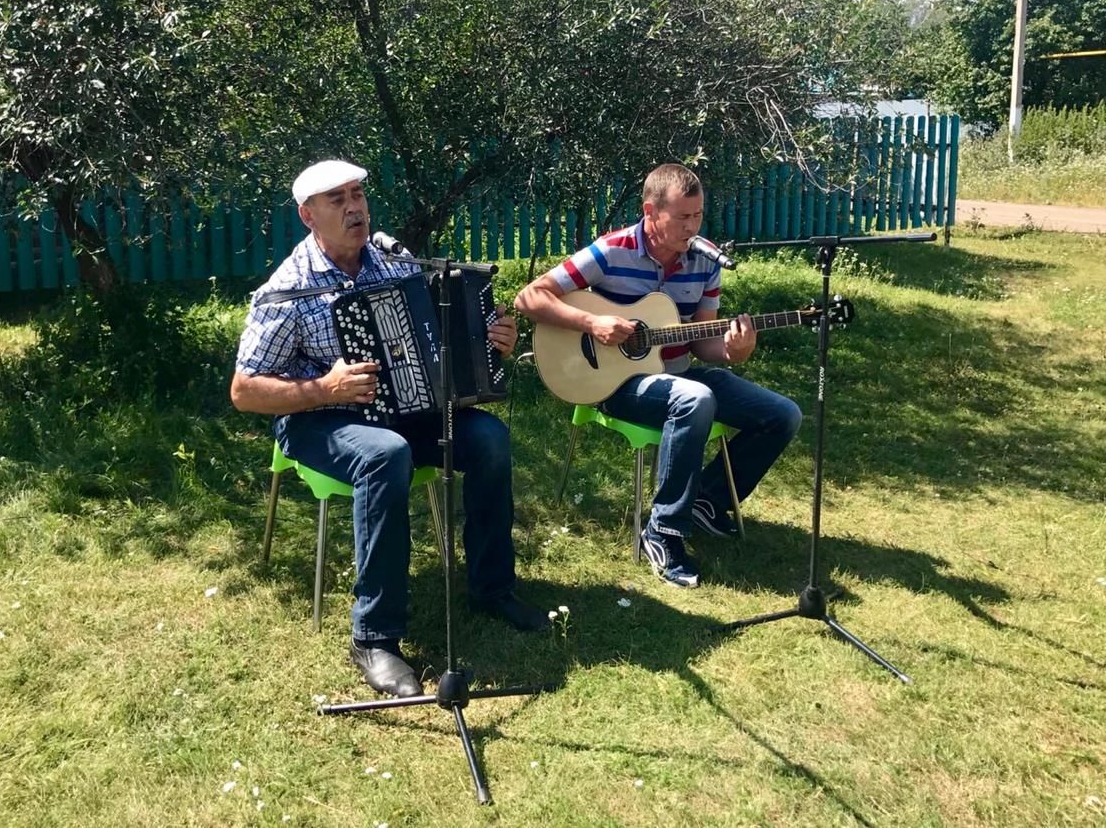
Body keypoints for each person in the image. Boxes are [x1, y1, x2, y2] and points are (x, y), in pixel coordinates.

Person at [231, 159, 548, 699]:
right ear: (309, 216)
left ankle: (492, 588)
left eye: (357, 194)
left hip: (408, 411)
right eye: (338, 199)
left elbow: (441, 336)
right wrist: (322, 390)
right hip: (319, 422)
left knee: (489, 438)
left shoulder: (394, 264)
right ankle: (374, 636)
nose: (354, 207)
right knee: (385, 455)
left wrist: (491, 340)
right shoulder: (288, 290)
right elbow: (244, 391)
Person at [515, 162, 802, 588]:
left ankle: (707, 501)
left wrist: (732, 350)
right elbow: (528, 297)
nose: (694, 226)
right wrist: (592, 324)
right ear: (650, 212)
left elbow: (704, 341)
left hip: (678, 374)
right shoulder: (611, 250)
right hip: (615, 383)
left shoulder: (705, 262)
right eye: (683, 217)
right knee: (695, 399)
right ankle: (664, 531)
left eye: (699, 214)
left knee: (784, 414)